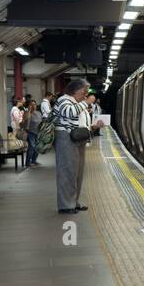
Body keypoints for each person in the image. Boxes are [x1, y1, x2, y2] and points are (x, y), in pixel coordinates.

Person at [54, 78, 103, 214]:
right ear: (75, 90)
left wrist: (94, 126)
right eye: (84, 91)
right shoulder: (64, 100)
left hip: (78, 139)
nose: (85, 94)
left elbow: (80, 123)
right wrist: (87, 102)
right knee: (67, 172)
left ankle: (74, 202)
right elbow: (69, 113)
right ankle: (65, 205)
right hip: (66, 139)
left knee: (78, 173)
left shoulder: (78, 103)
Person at [23, 95, 40, 167]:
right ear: (29, 106)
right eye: (31, 105)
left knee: (37, 148)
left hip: (38, 132)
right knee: (32, 147)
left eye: (34, 105)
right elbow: (26, 119)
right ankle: (27, 162)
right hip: (30, 132)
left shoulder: (38, 113)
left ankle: (34, 160)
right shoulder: (27, 113)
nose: (33, 106)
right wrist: (29, 110)